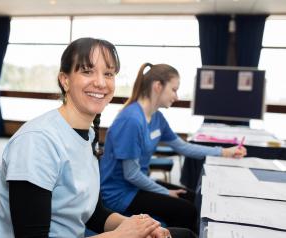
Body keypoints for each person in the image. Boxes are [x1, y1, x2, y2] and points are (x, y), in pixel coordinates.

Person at [0, 38, 182, 238]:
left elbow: (94, 215)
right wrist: (121, 235)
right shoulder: (36, 141)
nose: (100, 82)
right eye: (87, 71)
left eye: (108, 74)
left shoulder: (87, 135)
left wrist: (140, 226)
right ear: (65, 80)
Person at [99, 63, 247, 234]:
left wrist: (223, 152)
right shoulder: (131, 120)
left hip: (136, 185)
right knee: (186, 210)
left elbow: (183, 147)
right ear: (157, 86)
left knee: (193, 198)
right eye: (174, 89)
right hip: (120, 193)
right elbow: (131, 174)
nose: (176, 96)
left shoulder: (157, 118)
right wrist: (165, 192)